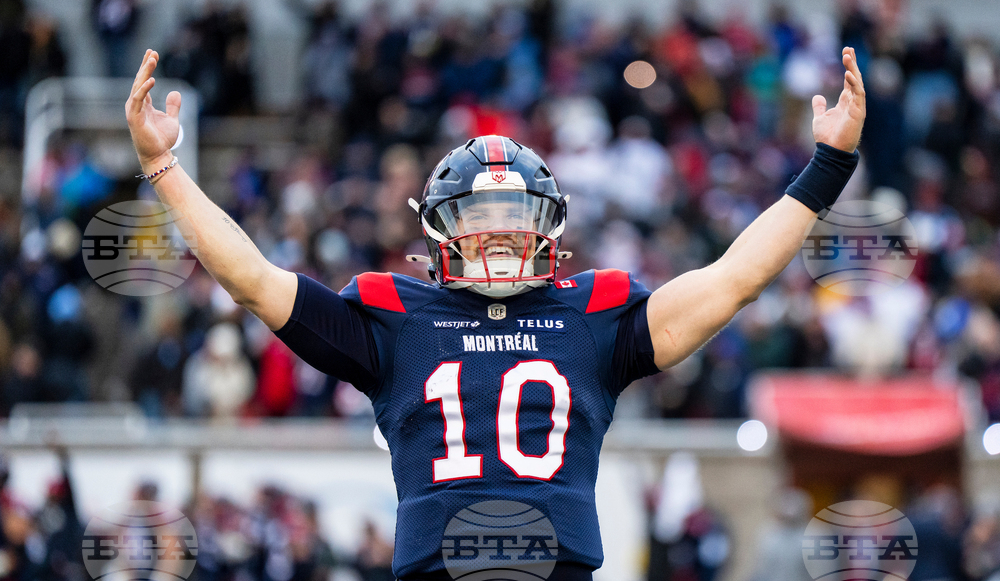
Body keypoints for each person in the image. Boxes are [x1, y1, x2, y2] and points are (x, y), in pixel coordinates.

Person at [125, 46, 867, 580]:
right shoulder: (394, 314)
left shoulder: (595, 314)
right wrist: (164, 169)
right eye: (482, 214)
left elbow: (732, 281)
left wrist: (827, 166)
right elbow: (254, 281)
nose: (502, 232)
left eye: (518, 214)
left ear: (550, 225)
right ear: (441, 227)